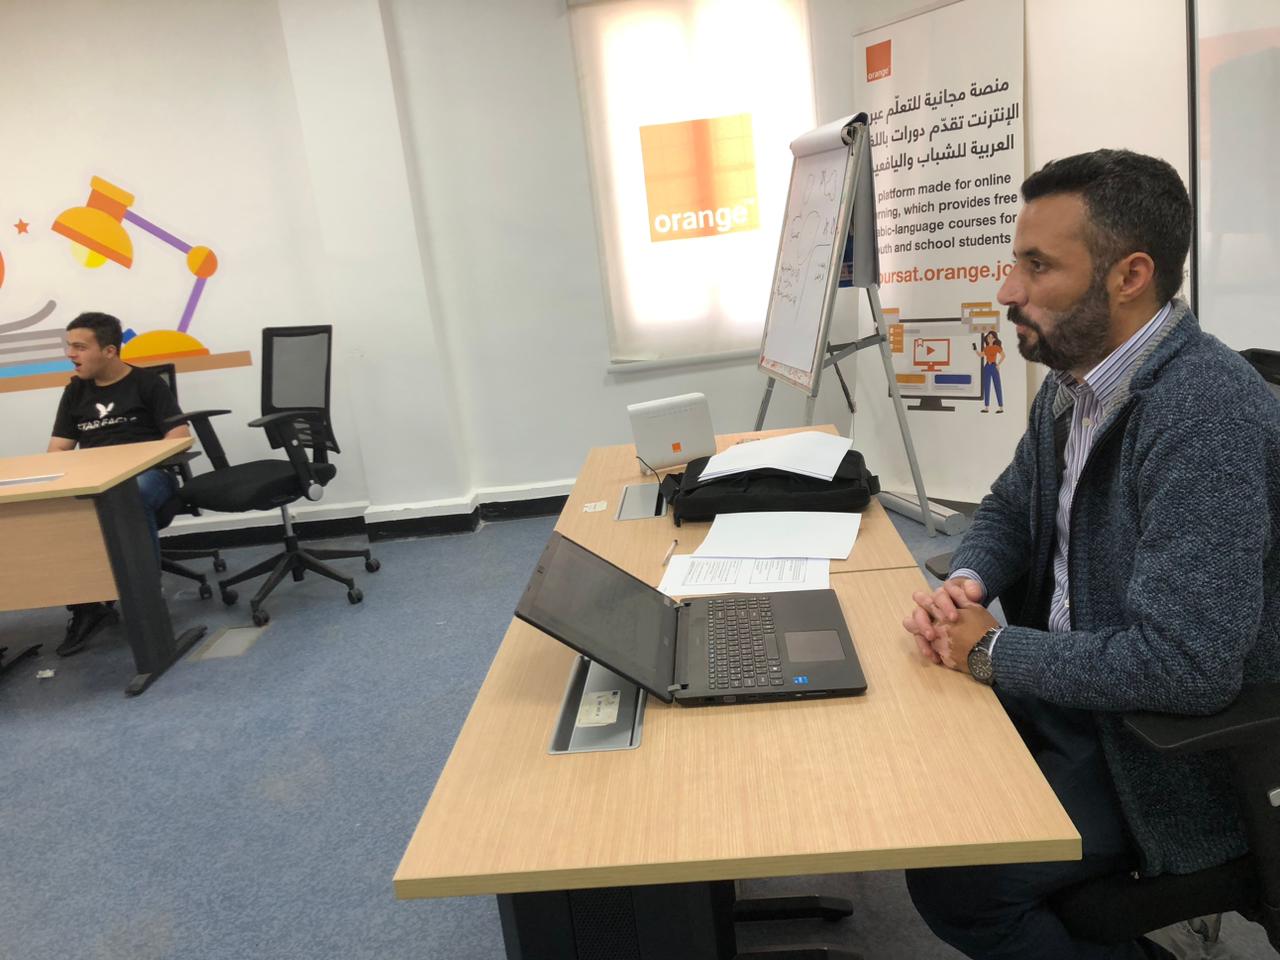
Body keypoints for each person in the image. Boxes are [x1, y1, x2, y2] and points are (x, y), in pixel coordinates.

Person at [900, 149, 1280, 960]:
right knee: (911, 766)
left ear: (1129, 275)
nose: (1009, 290)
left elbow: (1187, 666)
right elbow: (1011, 505)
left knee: (958, 881)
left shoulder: (1205, 417)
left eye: (1038, 266)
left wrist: (993, 651)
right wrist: (968, 580)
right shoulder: (1074, 383)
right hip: (1071, 692)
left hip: (1153, 754)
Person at [48, 312, 190, 657]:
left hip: (150, 476)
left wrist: (136, 461)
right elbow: (58, 448)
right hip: (95, 479)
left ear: (109, 350)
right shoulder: (75, 392)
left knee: (130, 497)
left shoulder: (147, 384)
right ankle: (87, 607)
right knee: (59, 510)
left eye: (80, 347)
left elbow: (179, 434)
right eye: (69, 346)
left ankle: (147, 601)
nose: (71, 354)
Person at [976, 329, 1005, 413]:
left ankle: (1001, 407)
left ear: (995, 339)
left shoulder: (996, 347)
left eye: (992, 337)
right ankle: (986, 407)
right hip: (987, 367)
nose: (990, 339)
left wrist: (998, 364)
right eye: (989, 337)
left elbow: (1003, 355)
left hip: (993, 366)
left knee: (997, 386)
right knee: (986, 386)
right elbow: (980, 355)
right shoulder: (986, 348)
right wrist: (975, 349)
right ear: (987, 338)